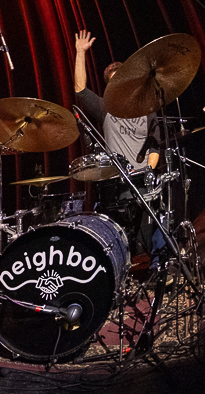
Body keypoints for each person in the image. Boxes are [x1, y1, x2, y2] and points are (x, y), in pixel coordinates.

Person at [73, 30, 165, 267]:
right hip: (118, 182)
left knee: (163, 207)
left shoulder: (147, 109)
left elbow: (155, 146)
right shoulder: (105, 108)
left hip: (144, 178)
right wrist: (80, 53)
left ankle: (159, 265)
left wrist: (148, 171)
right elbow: (80, 90)